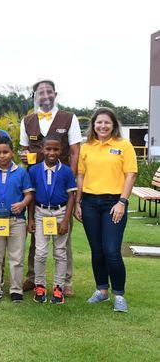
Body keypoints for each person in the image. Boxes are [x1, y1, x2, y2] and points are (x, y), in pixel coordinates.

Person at [20, 79, 82, 296]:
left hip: (61, 186)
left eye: (48, 91)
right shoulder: (27, 120)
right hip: (37, 185)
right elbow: (25, 151)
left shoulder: (69, 118)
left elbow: (75, 151)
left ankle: (65, 282)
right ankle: (32, 277)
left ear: (55, 94)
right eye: (40, 92)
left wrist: (70, 181)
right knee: (36, 237)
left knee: (64, 239)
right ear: (35, 95)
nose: (45, 95)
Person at [75, 108, 137, 313]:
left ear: (113, 125)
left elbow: (130, 175)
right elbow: (81, 177)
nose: (102, 126)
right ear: (93, 125)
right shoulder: (86, 147)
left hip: (114, 203)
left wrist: (122, 202)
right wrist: (77, 203)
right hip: (90, 203)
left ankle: (119, 294)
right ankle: (101, 290)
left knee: (111, 250)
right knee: (97, 250)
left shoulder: (123, 145)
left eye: (107, 123)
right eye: (99, 122)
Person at [27, 136, 77, 304]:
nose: (51, 153)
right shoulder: (34, 170)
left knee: (60, 252)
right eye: (48, 149)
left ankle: (58, 288)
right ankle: (39, 286)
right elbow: (31, 196)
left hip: (60, 212)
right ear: (42, 149)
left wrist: (65, 221)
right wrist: (31, 219)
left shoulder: (66, 171)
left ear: (61, 151)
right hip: (41, 213)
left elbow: (71, 196)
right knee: (40, 252)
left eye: (55, 149)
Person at [0, 137, 34, 303]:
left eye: (5, 152)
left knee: (16, 257)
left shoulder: (21, 172)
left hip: (16, 221)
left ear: (12, 153)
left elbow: (29, 194)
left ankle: (16, 290)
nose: (2, 156)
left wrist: (23, 203)